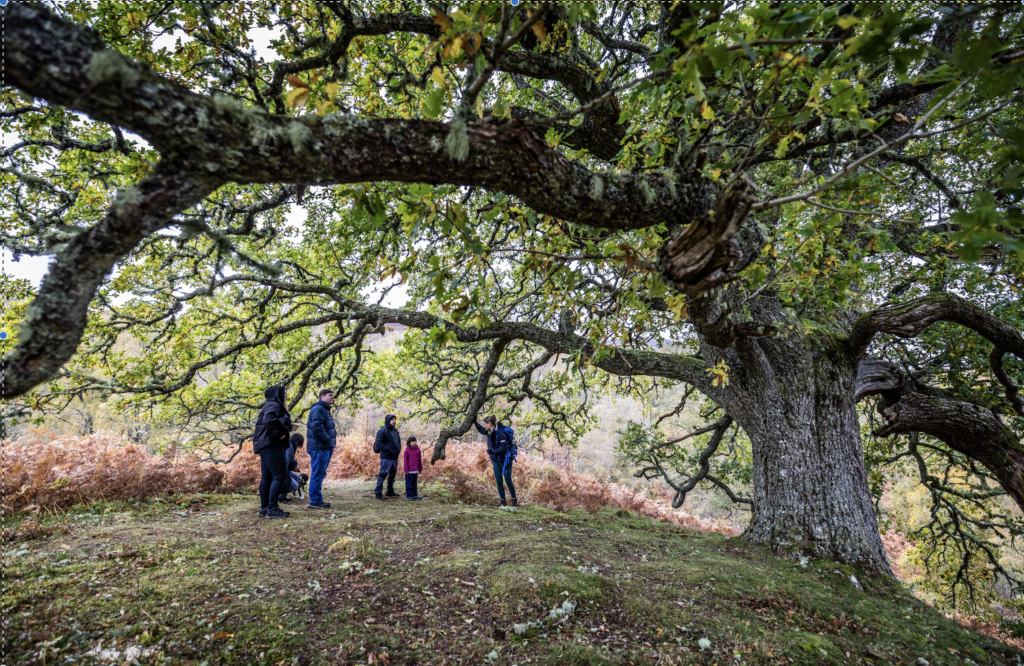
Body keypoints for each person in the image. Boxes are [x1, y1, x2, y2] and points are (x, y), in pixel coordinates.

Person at [252, 385, 296, 519]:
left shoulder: (269, 404)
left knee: (267, 477)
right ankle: (272, 509)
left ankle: (264, 509)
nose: (286, 396)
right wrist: (278, 434)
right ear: (278, 394)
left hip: (265, 445)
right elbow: (269, 420)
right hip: (272, 444)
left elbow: (271, 421)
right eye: (285, 393)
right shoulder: (274, 404)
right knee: (280, 476)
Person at [474, 415, 517, 507]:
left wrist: (492, 451)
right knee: (498, 481)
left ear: (489, 424)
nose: (485, 426)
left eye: (485, 424)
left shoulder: (500, 433)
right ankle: (502, 502)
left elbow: (504, 448)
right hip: (496, 461)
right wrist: (475, 422)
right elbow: (481, 430)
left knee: (508, 480)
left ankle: (514, 501)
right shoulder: (489, 432)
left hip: (505, 461)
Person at [306, 388, 337, 509]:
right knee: (317, 473)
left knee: (320, 473)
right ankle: (314, 501)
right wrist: (327, 439)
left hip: (324, 447)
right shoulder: (318, 409)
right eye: (330, 395)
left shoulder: (324, 409)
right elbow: (317, 428)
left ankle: (317, 499)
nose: (332, 397)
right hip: (319, 447)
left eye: (333, 395)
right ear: (322, 397)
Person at [373, 414, 402, 500]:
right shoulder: (382, 430)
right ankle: (378, 492)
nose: (394, 421)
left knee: (392, 474)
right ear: (388, 420)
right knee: (383, 474)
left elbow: (398, 442)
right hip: (386, 456)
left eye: (395, 419)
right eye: (392, 419)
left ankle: (390, 491)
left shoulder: (395, 431)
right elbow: (378, 443)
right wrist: (388, 449)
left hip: (394, 457)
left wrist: (398, 450)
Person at [279, 432, 305, 503]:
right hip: (283, 470)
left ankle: (283, 495)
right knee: (293, 485)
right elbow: (289, 460)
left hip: (286, 469)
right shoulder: (290, 446)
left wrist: (293, 468)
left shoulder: (291, 445)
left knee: (297, 478)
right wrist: (294, 464)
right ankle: (279, 495)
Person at [403, 436, 423, 500]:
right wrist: (406, 469)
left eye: (414, 441)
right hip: (409, 471)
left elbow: (419, 460)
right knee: (409, 483)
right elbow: (405, 461)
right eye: (412, 442)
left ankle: (415, 495)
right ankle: (409, 495)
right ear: (409, 442)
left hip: (415, 470)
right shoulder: (407, 451)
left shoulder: (418, 450)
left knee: (414, 483)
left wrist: (420, 468)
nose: (414, 443)